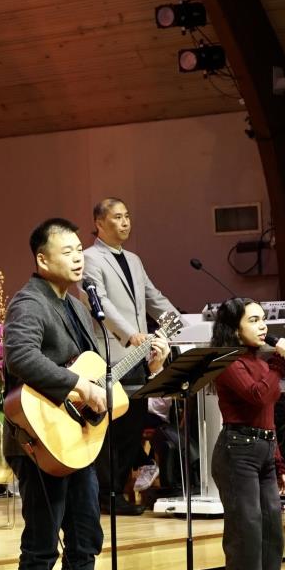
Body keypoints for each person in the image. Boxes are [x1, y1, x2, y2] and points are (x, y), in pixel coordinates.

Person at [4, 217, 166, 570]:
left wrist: (149, 362)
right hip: (40, 439)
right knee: (42, 544)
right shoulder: (28, 302)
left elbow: (101, 375)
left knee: (85, 538)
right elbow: (21, 357)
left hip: (77, 441)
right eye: (68, 251)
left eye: (80, 250)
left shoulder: (76, 306)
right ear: (42, 259)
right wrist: (78, 386)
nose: (78, 258)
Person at [82, 197, 181, 516]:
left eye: (127, 216)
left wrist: (180, 324)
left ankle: (117, 490)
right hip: (111, 353)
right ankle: (105, 493)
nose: (125, 222)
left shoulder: (134, 260)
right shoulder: (90, 258)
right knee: (114, 426)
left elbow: (153, 297)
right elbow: (101, 303)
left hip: (138, 355)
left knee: (133, 425)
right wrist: (129, 333)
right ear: (99, 223)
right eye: (117, 217)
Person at [209, 298, 285, 570]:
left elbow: (267, 415)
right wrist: (279, 362)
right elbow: (257, 396)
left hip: (263, 450)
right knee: (246, 534)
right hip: (237, 452)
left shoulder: (260, 362)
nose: (263, 327)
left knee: (272, 532)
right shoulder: (228, 361)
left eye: (263, 320)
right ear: (235, 329)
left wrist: (279, 462)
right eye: (254, 320)